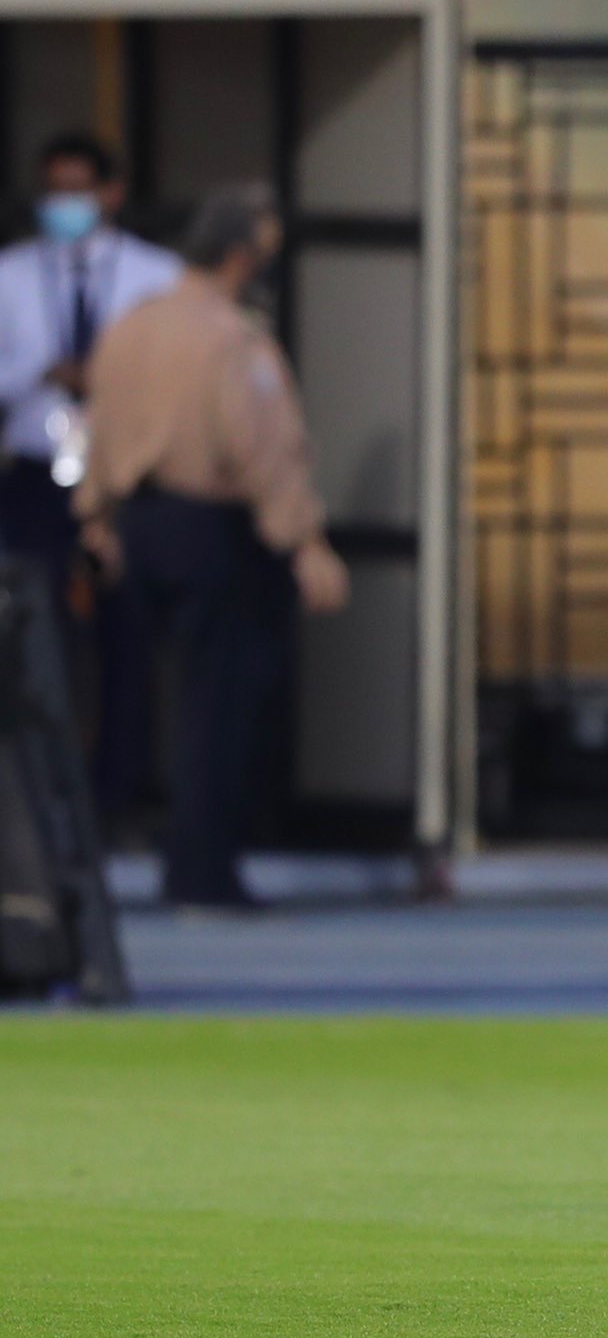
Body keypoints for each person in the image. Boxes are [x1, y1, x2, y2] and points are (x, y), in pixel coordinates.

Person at [74, 183, 349, 911]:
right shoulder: (232, 337)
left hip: (139, 524)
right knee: (217, 705)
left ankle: (136, 836)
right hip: (209, 529)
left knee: (145, 695)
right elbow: (263, 446)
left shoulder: (132, 325)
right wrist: (305, 540)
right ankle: (201, 871)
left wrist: (96, 513)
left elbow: (97, 424)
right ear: (240, 257)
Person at [0, 133, 181, 811]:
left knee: (126, 640)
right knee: (36, 637)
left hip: (124, 473)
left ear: (111, 192)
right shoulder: (11, 273)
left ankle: (115, 798)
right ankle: (42, 801)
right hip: (37, 471)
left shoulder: (153, 276)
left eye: (79, 191)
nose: (64, 205)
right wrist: (39, 371)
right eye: (54, 192)